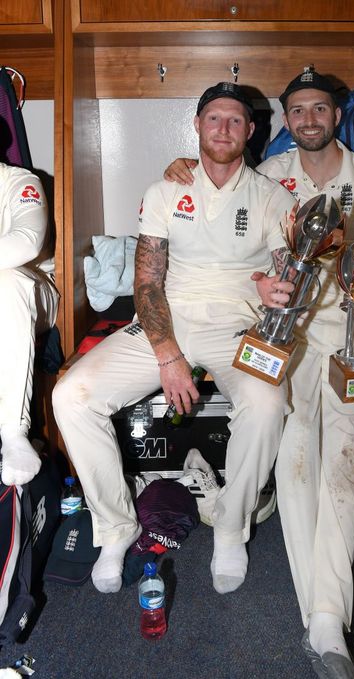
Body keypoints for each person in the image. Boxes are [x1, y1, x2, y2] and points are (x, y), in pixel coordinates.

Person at [164, 70, 354, 679]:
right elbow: (218, 193)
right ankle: (326, 624)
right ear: (285, 119)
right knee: (297, 457)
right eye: (297, 109)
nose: (308, 119)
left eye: (319, 108)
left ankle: (325, 617)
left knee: (343, 465)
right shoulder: (272, 178)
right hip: (291, 338)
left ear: (336, 114)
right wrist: (181, 166)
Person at [52, 82, 296, 596]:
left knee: (269, 403)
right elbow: (146, 282)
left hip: (239, 327)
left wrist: (280, 288)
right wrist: (168, 354)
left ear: (251, 131)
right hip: (168, 320)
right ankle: (118, 527)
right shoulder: (166, 191)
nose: (224, 129)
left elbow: (282, 270)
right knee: (70, 396)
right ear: (198, 126)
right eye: (214, 119)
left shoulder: (274, 198)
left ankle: (231, 524)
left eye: (235, 120)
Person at [0, 161, 59, 486]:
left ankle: (13, 430)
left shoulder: (20, 182)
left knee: (5, 281)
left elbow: (26, 241)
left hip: (33, 289)